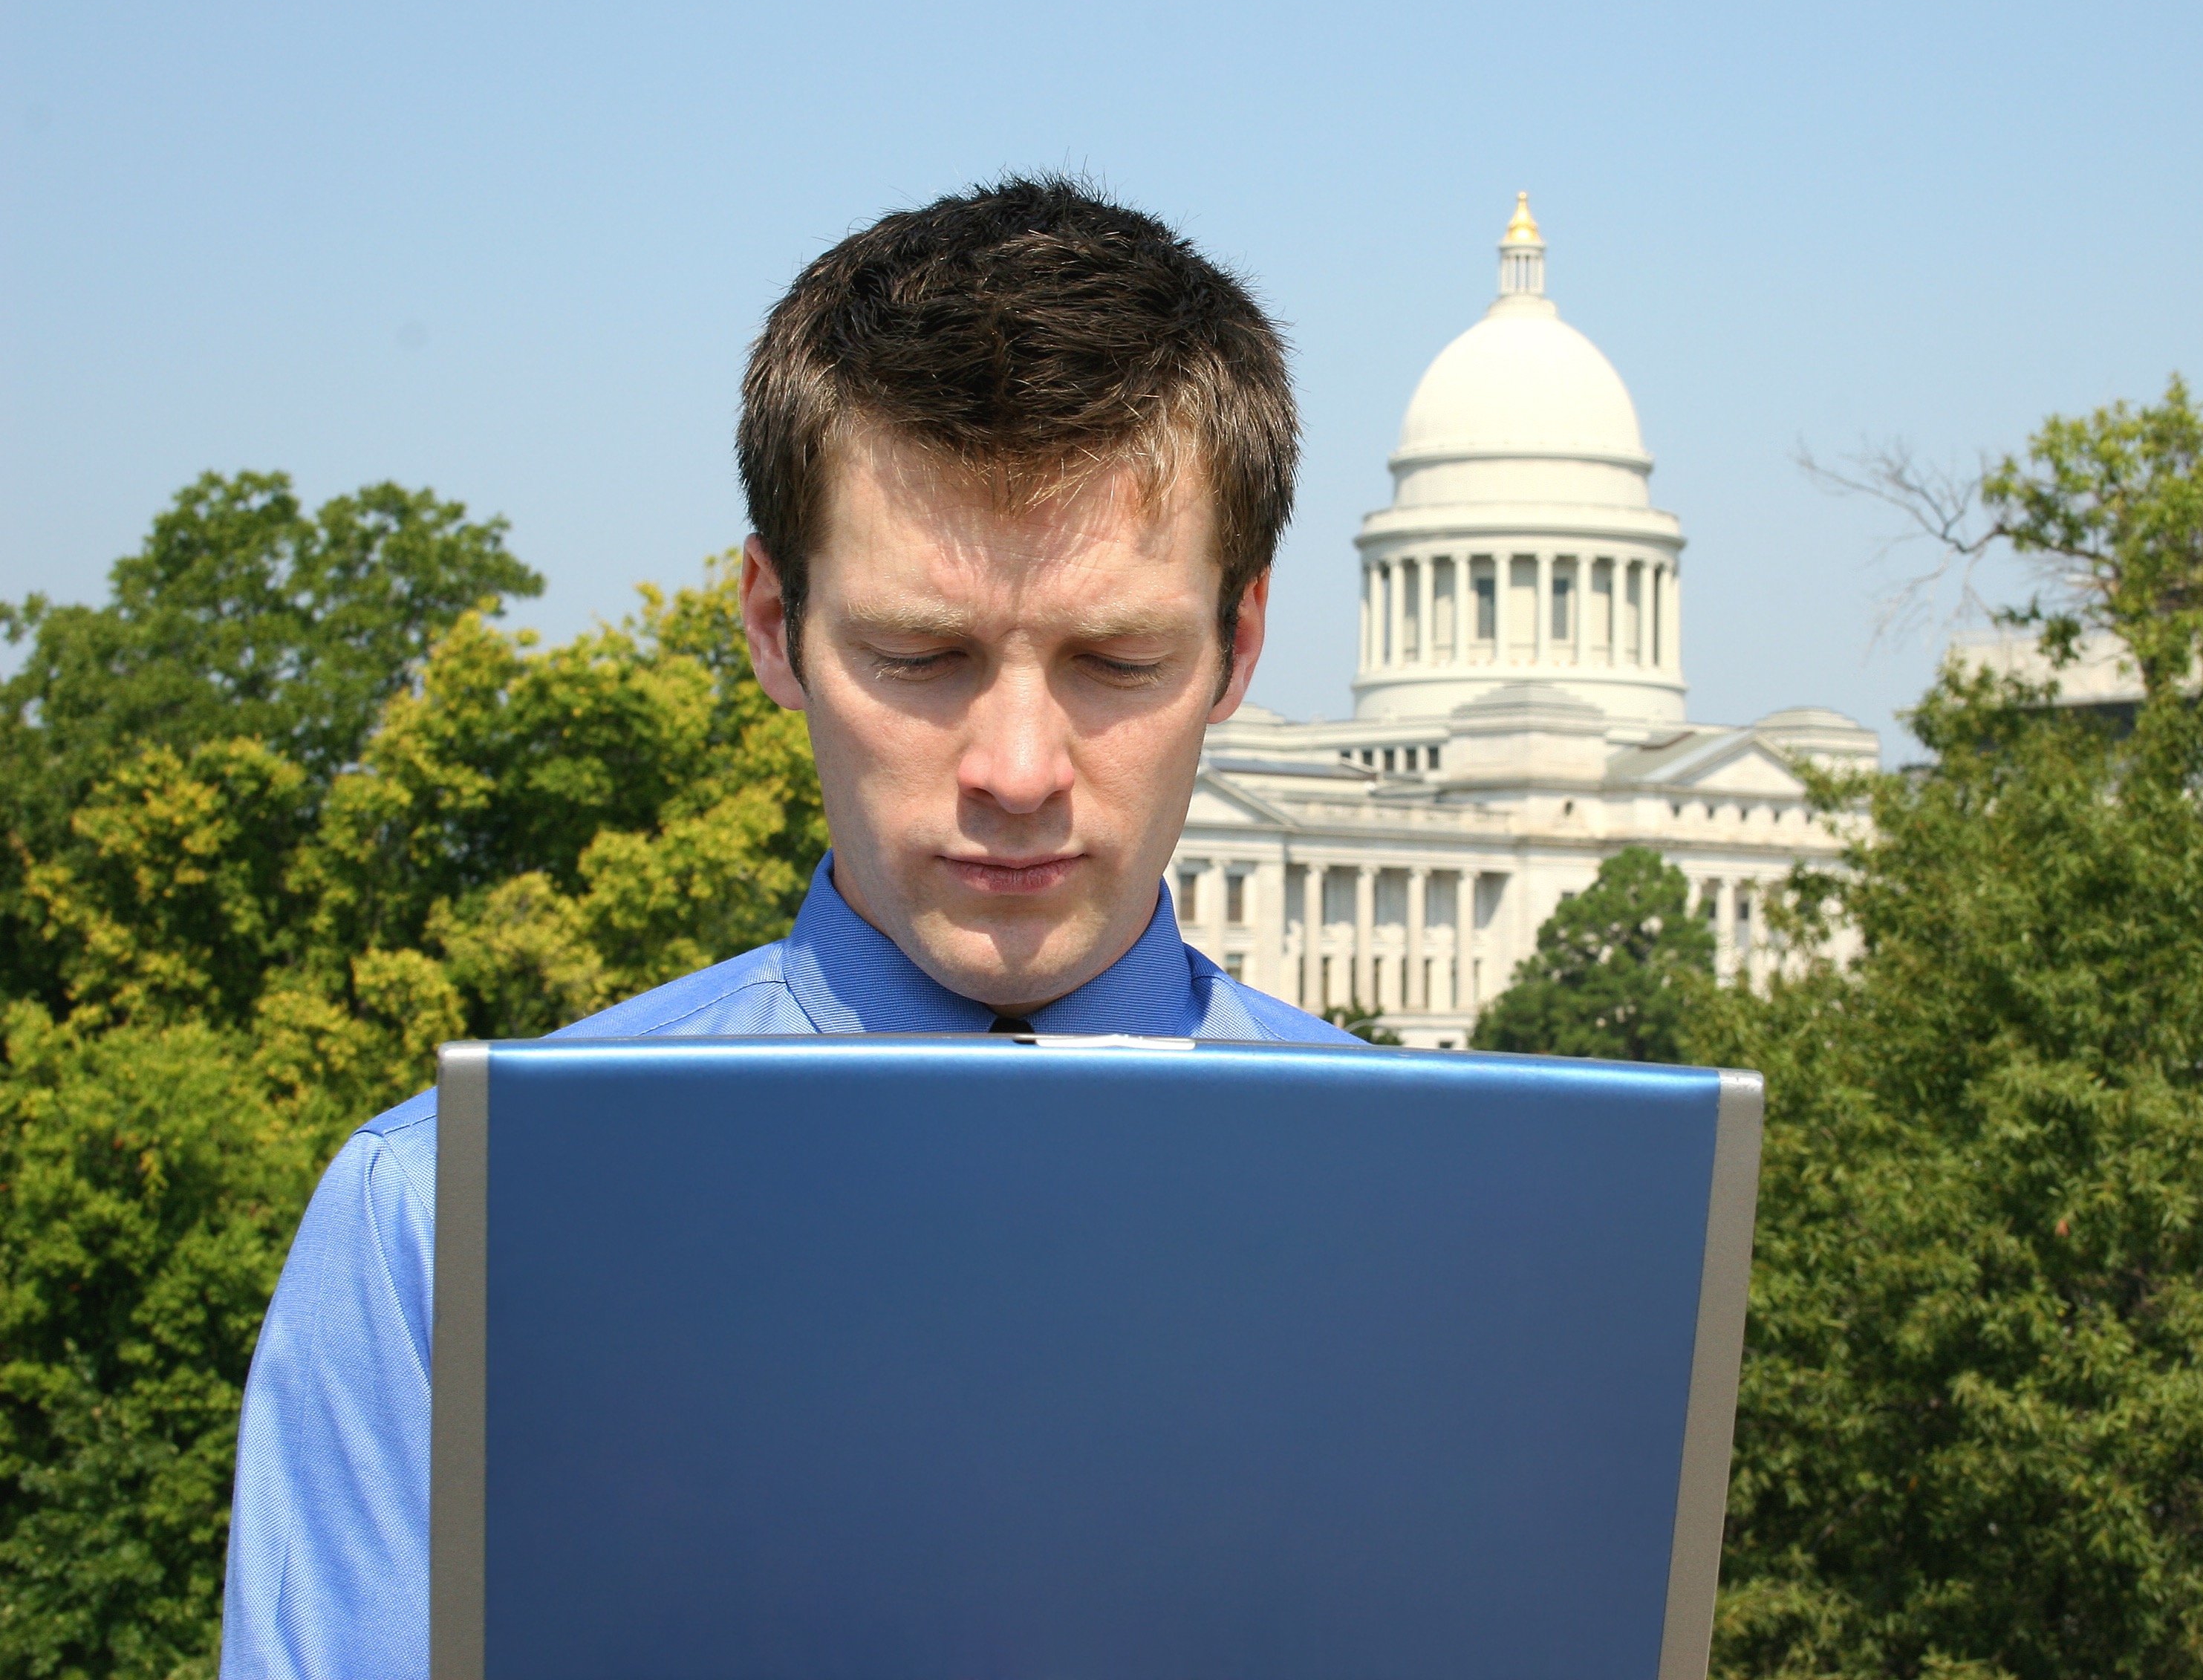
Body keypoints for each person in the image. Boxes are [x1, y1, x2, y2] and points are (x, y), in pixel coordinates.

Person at [219, 178, 1358, 1678]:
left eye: (1116, 657)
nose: (1017, 770)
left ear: (1239, 645)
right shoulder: (442, 1223)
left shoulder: (1443, 1234)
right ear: (773, 625)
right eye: (919, 653)